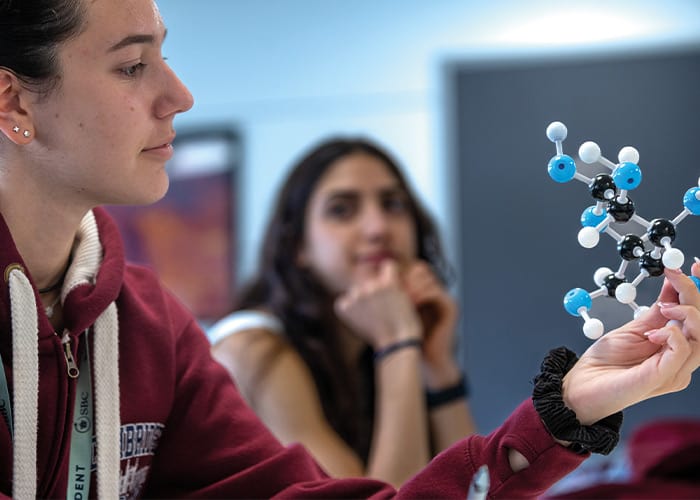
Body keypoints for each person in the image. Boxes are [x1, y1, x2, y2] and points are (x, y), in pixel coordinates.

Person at [1, 0, 699, 498]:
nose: (179, 95)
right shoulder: (244, 344)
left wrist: (567, 406)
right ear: (15, 104)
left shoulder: (152, 324)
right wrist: (399, 348)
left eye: (392, 204)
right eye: (131, 67)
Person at [208, 137, 479, 486]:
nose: (378, 228)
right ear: (298, 246)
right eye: (342, 210)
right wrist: (397, 343)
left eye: (393, 204)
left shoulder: (365, 347)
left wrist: (437, 367)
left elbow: (479, 491)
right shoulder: (252, 349)